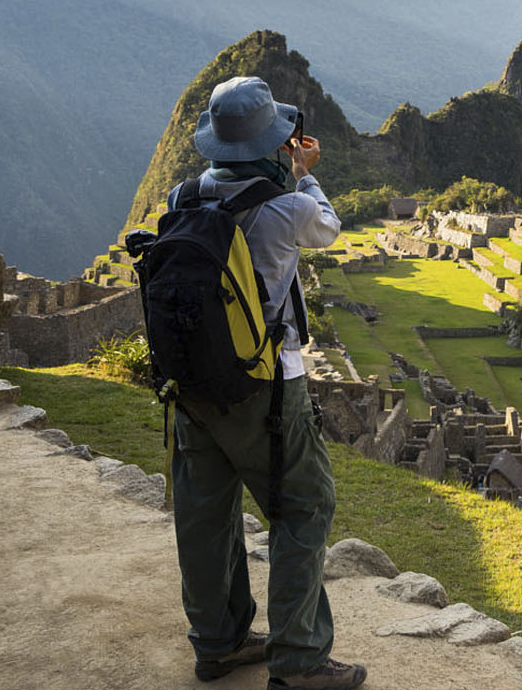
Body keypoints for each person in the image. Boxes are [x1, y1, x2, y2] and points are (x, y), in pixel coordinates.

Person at [168, 76, 364, 690]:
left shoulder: (181, 198)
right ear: (274, 140)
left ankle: (218, 642)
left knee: (205, 512)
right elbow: (328, 228)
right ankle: (300, 660)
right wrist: (303, 172)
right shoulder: (289, 206)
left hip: (191, 383)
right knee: (304, 507)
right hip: (267, 386)